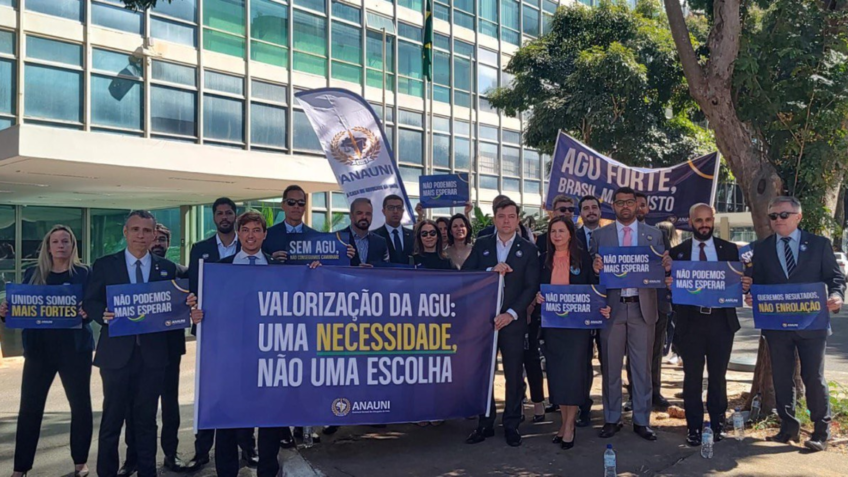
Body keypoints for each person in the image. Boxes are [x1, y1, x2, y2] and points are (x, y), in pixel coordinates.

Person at [84, 211, 183, 477]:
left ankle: (147, 472)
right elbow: (90, 300)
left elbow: (178, 304)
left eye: (147, 231)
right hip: (116, 356)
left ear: (154, 235)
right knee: (111, 422)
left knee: (147, 421)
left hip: (153, 357)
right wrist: (102, 315)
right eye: (136, 229)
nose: (141, 235)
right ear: (126, 232)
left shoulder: (167, 268)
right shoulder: (105, 265)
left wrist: (190, 307)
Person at [745, 196, 844, 452]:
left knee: (813, 377)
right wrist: (750, 295)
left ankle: (821, 432)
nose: (777, 220)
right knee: (780, 377)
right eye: (773, 216)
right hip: (777, 326)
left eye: (783, 215)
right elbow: (756, 283)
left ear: (798, 217)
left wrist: (837, 296)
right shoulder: (762, 248)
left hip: (812, 324)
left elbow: (835, 278)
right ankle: (788, 428)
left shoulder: (819, 245)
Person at [0, 225, 92, 477]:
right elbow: (20, 311)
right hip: (39, 350)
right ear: (48, 247)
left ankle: (80, 463)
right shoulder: (32, 273)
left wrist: (88, 312)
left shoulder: (85, 274)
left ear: (73, 245)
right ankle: (20, 468)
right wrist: (6, 313)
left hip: (75, 350)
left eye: (66, 241)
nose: (60, 245)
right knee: (30, 408)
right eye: (55, 241)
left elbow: (94, 306)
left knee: (80, 406)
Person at [590, 187, 670, 441]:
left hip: (642, 307)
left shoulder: (654, 235)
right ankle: (612, 418)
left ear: (638, 205)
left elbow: (663, 270)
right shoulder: (600, 235)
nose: (625, 206)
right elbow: (592, 274)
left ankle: (642, 420)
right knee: (611, 367)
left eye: (629, 202)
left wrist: (667, 266)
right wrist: (595, 266)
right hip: (611, 308)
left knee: (642, 368)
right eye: (619, 202)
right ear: (613, 206)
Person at [184, 198, 258, 472]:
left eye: (229, 213)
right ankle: (202, 452)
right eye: (220, 213)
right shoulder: (200, 249)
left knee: (244, 390)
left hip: (245, 334)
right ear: (214, 217)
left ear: (235, 218)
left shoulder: (250, 247)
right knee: (209, 392)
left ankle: (248, 448)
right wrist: (194, 306)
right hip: (210, 333)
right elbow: (194, 288)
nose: (224, 217)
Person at [463, 199, 539, 447]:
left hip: (513, 322)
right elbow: (466, 276)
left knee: (514, 375)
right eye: (501, 216)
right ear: (494, 219)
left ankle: (511, 424)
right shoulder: (483, 245)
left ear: (517, 220)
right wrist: (489, 271)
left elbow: (530, 287)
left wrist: (512, 314)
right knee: (484, 373)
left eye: (511, 216)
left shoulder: (527, 249)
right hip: (484, 321)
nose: (506, 221)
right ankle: (484, 423)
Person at [117, 225, 189, 474]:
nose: (158, 242)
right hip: (136, 351)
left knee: (170, 404)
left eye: (163, 239)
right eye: (154, 237)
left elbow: (196, 296)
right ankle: (132, 458)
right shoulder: (130, 272)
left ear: (168, 243)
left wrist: (192, 301)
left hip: (169, 350)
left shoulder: (178, 272)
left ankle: (171, 454)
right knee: (134, 407)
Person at [667, 204, 741, 447]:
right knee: (692, 378)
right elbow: (670, 288)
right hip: (691, 324)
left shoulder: (729, 250)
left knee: (718, 376)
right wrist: (669, 282)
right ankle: (694, 428)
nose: (704, 224)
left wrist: (745, 283)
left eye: (708, 219)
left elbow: (738, 283)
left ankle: (718, 424)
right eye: (699, 220)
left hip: (721, 322)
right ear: (690, 222)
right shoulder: (678, 253)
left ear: (714, 220)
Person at [534, 216, 610, 449]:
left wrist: (602, 306)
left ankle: (569, 426)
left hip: (577, 329)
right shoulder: (543, 261)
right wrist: (537, 298)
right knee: (558, 376)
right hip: (553, 328)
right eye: (553, 231)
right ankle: (564, 421)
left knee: (575, 375)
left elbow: (594, 289)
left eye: (561, 231)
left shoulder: (583, 259)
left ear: (570, 234)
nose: (557, 235)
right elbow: (537, 288)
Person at [628, 191, 673, 410]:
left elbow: (668, 264)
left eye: (642, 205)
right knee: (634, 352)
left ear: (648, 209)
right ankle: (633, 394)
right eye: (633, 205)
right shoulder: (620, 236)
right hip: (627, 302)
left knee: (655, 350)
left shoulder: (658, 234)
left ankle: (655, 391)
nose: (638, 209)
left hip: (656, 301)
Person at [573, 195, 603, 426]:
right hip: (580, 305)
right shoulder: (571, 237)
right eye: (586, 208)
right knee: (582, 360)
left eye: (594, 207)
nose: (590, 211)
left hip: (607, 304)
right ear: (580, 213)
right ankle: (583, 406)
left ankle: (611, 410)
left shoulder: (612, 237)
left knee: (608, 358)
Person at [262, 185, 315, 260]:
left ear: (305, 207)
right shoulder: (267, 236)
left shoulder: (315, 238)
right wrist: (271, 260)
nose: (296, 206)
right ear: (283, 205)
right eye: (291, 202)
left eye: (301, 202)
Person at [344, 198, 390, 267]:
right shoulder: (338, 239)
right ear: (351, 215)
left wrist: (373, 272)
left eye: (368, 214)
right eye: (359, 213)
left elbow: (386, 270)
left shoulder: (381, 242)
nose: (364, 217)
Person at [374, 195, 414, 265]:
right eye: (391, 208)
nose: (395, 211)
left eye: (399, 208)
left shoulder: (413, 235)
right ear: (383, 211)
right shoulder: (374, 236)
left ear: (403, 211)